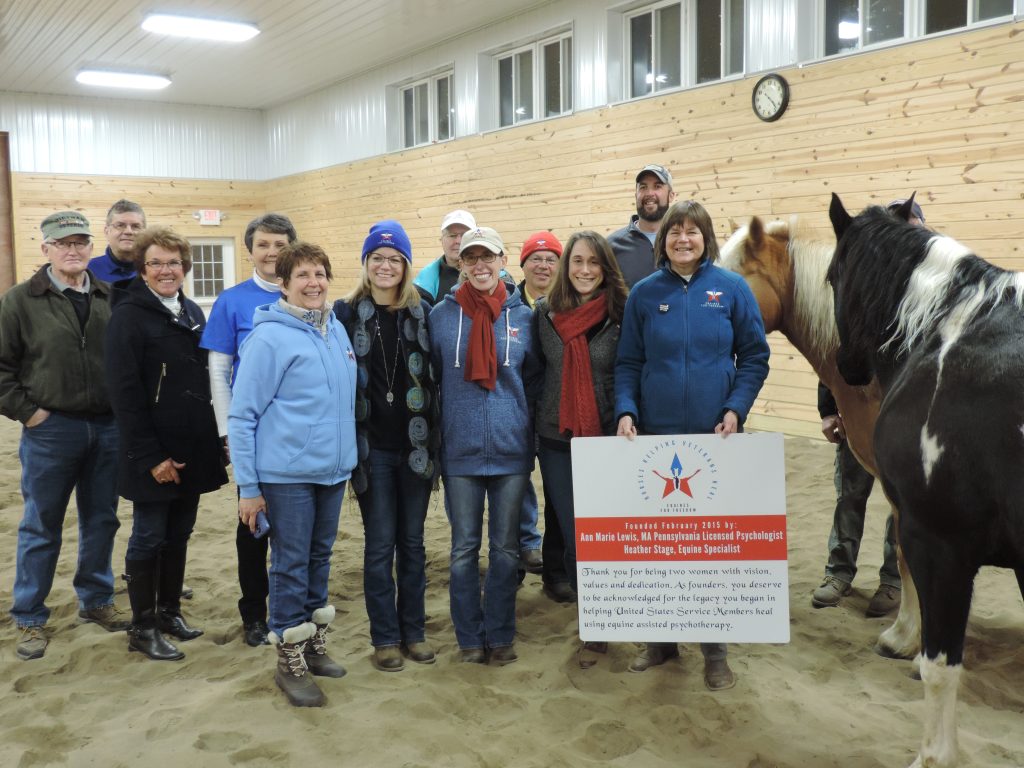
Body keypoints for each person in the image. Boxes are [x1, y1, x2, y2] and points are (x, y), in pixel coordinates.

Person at [614, 200, 770, 690]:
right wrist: (626, 410)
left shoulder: (732, 289)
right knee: (660, 548)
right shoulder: (643, 294)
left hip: (715, 439)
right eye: (675, 232)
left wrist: (735, 408)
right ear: (664, 240)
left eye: (693, 232)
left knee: (709, 549)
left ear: (706, 239)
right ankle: (661, 643)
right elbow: (628, 364)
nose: (683, 239)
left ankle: (715, 652)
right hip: (655, 439)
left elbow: (755, 357)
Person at [229, 241, 356, 708]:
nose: (314, 283)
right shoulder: (268, 338)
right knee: (290, 562)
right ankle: (289, 658)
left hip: (333, 469)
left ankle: (313, 641)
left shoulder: (335, 330)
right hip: (286, 474)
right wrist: (249, 487)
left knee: (320, 557)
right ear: (283, 283)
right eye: (302, 275)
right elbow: (242, 416)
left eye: (320, 274)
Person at [0, 211, 128, 661]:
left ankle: (95, 600)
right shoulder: (19, 301)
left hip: (108, 429)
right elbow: (2, 369)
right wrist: (30, 414)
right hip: (51, 431)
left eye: (80, 242)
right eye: (62, 243)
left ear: (91, 247)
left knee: (102, 520)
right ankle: (31, 616)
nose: (72, 250)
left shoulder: (111, 296)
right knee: (41, 525)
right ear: (46, 249)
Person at [105, 227, 227, 661]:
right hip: (153, 453)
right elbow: (125, 393)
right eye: (156, 263)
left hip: (192, 446)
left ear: (185, 267)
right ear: (142, 268)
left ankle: (169, 611)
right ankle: (141, 626)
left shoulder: (191, 310)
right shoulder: (128, 315)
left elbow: (206, 380)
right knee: (149, 536)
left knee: (179, 534)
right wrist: (151, 456)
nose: (166, 270)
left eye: (173, 262)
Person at [429, 226, 541, 665]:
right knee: (462, 551)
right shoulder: (440, 316)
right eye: (471, 258)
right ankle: (469, 637)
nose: (480, 265)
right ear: (461, 264)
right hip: (460, 454)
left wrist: (528, 439)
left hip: (511, 453)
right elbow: (434, 380)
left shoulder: (524, 318)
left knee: (505, 551)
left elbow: (532, 384)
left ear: (502, 261)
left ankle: (500, 634)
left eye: (487, 257)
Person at [332, 221, 440, 673]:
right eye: (377, 257)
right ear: (365, 263)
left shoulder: (424, 310)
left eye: (394, 259)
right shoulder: (345, 312)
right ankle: (385, 637)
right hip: (372, 450)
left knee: (412, 545)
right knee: (379, 547)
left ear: (406, 265)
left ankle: (413, 631)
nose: (385, 265)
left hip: (416, 451)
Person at [811, 198, 927, 616]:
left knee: (903, 504)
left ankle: (892, 582)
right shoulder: (864, 285)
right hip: (857, 411)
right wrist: (828, 409)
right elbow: (836, 349)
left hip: (908, 420)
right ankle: (838, 572)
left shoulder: (929, 296)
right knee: (850, 493)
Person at [200, 213, 298, 647]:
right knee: (253, 526)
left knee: (297, 527)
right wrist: (227, 432)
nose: (272, 252)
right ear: (250, 250)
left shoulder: (307, 295)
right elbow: (219, 370)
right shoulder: (233, 300)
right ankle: (254, 614)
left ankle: (293, 605)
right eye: (264, 244)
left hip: (296, 433)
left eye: (280, 244)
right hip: (252, 434)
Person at [534, 230, 629, 665]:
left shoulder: (623, 313)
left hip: (610, 441)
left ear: (605, 267)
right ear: (565, 267)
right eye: (577, 262)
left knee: (609, 536)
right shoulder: (543, 313)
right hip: (556, 440)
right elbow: (534, 374)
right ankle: (593, 621)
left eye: (593, 262)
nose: (585, 270)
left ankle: (619, 612)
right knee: (576, 538)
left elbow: (633, 370)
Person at [517, 230, 571, 599]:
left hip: (554, 416)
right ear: (522, 264)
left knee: (557, 496)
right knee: (514, 492)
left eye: (551, 258)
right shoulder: (508, 305)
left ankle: (555, 573)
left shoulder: (569, 308)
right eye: (535, 258)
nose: (543, 265)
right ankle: (514, 569)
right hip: (518, 415)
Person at [607, 164, 677, 288]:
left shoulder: (683, 242)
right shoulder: (611, 246)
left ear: (671, 195)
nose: (649, 193)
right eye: (643, 187)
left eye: (657, 186)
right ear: (636, 195)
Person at [414, 209, 476, 306]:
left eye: (464, 235)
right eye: (452, 235)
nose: (458, 241)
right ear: (442, 240)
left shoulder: (495, 275)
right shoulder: (426, 278)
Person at [88, 199, 147, 283]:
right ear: (107, 231)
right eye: (120, 225)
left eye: (135, 226)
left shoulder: (155, 269)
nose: (128, 231)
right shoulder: (89, 271)